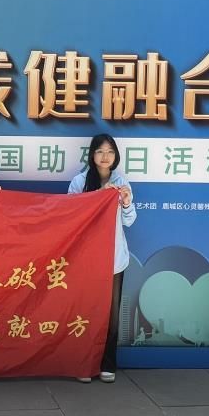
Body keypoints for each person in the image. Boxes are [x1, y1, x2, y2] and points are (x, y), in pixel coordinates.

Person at [68, 134, 136, 383]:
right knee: (84, 312)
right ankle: (83, 364)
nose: (105, 156)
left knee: (111, 315)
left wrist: (126, 202)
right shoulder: (79, 181)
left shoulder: (122, 182)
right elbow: (70, 216)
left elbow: (130, 221)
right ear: (92, 155)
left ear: (115, 155)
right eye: (100, 151)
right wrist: (99, 195)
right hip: (86, 258)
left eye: (110, 151)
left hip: (114, 258)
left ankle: (108, 364)